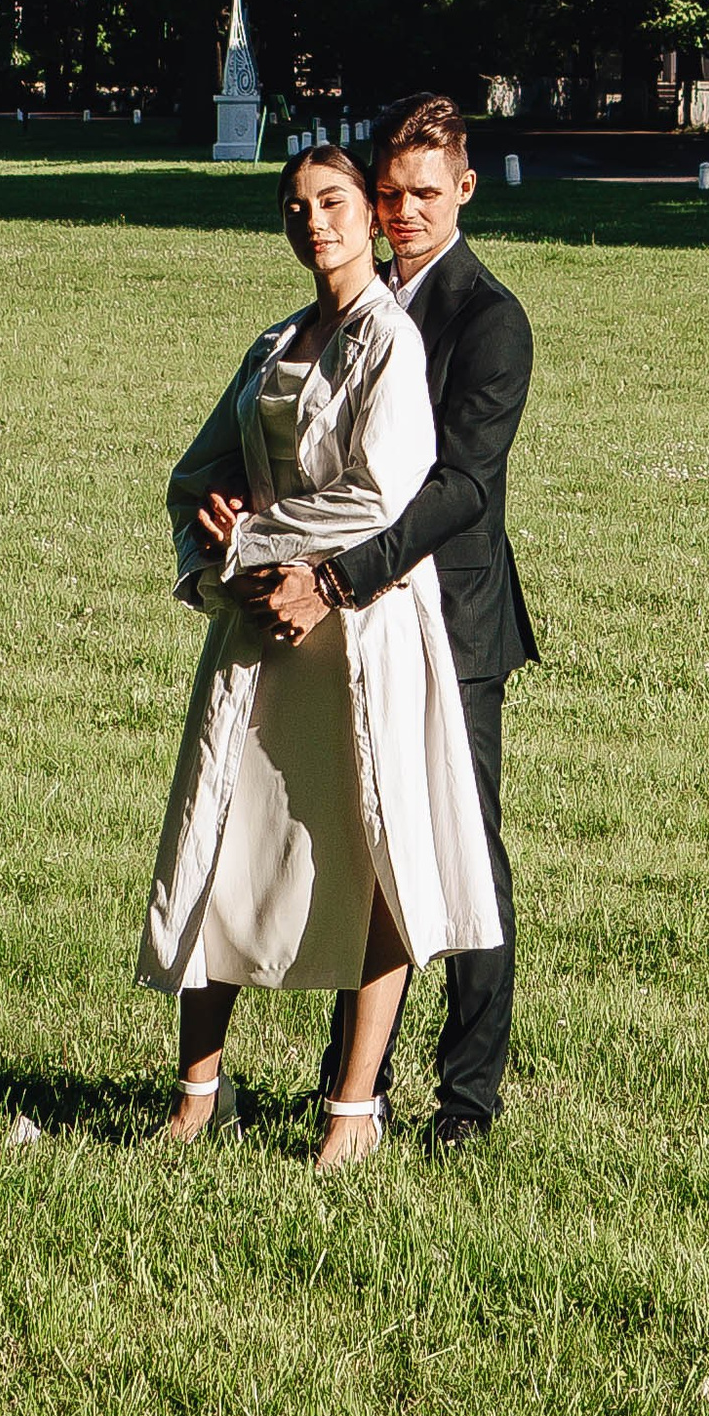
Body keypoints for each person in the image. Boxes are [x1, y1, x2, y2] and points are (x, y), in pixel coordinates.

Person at [138, 142, 502, 1166]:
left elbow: (381, 494)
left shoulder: (390, 341)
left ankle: (351, 1116)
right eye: (296, 206)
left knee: (372, 855)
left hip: (361, 631)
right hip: (259, 632)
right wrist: (216, 547)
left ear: (369, 215)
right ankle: (197, 1095)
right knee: (218, 845)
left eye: (333, 201)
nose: (315, 221)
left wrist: (255, 536)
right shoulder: (275, 340)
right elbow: (191, 477)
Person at [241, 94, 536, 1150]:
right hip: (340, 616)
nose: (402, 213)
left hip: (449, 623)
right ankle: (350, 1084)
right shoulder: (342, 311)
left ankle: (467, 1099)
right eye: (388, 194)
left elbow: (457, 487)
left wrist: (336, 573)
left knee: (460, 857)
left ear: (463, 187)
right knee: (360, 844)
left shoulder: (487, 320)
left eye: (423, 194)